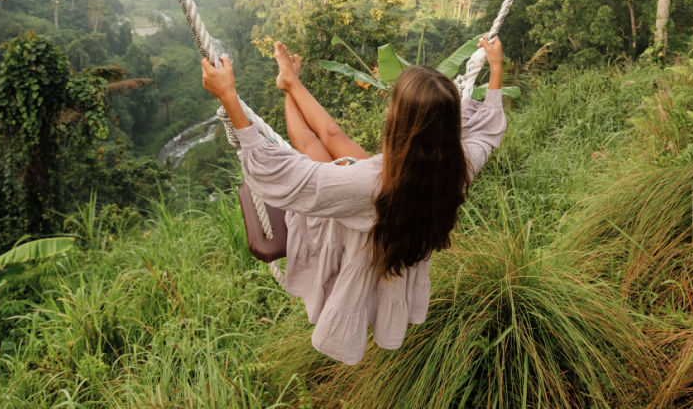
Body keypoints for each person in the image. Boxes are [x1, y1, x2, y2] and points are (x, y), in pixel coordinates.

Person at [200, 36, 506, 365]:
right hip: (395, 213)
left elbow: (286, 172)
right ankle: (290, 83)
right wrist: (496, 68)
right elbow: (487, 131)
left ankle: (290, 85)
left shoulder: (367, 185)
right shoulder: (459, 165)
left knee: (315, 152)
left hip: (359, 236)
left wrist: (230, 100)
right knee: (334, 142)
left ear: (400, 123)